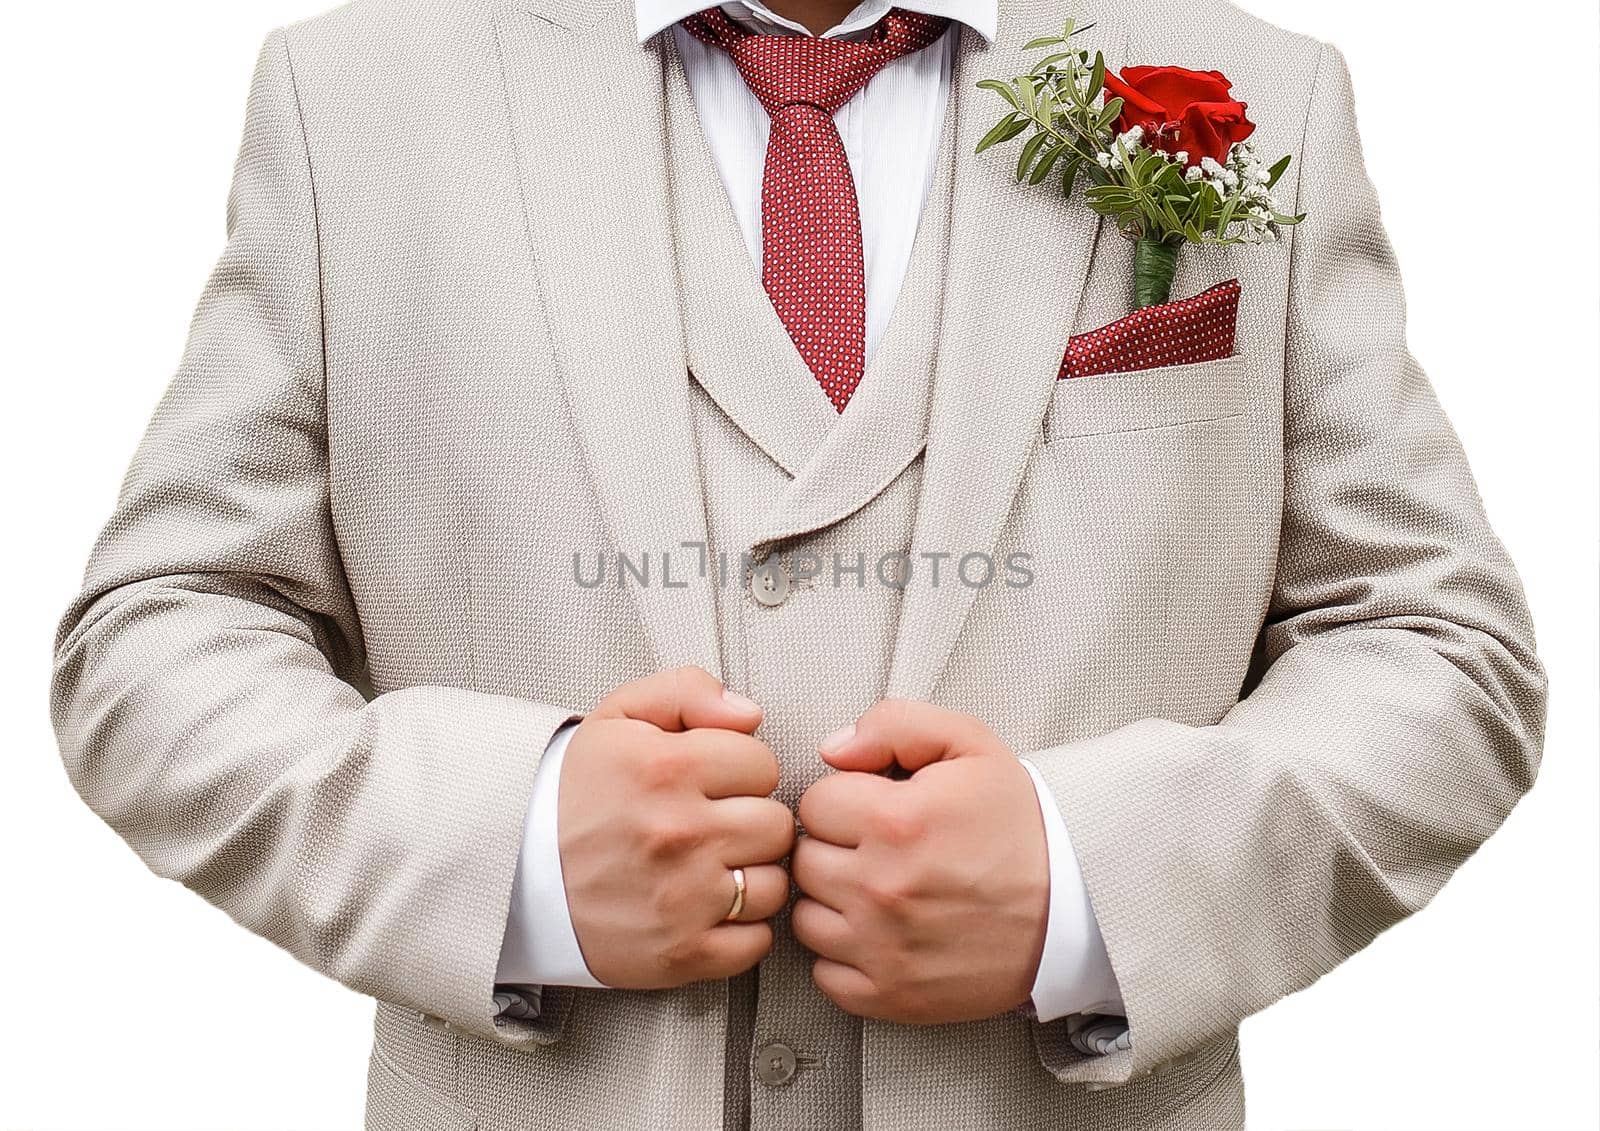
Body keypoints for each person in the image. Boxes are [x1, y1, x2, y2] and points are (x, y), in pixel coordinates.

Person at [50, 0, 1546, 1127]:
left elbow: (1437, 646)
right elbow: (161, 632)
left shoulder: (1260, 87)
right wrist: (502, 854)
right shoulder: (358, 94)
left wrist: (1094, 878)